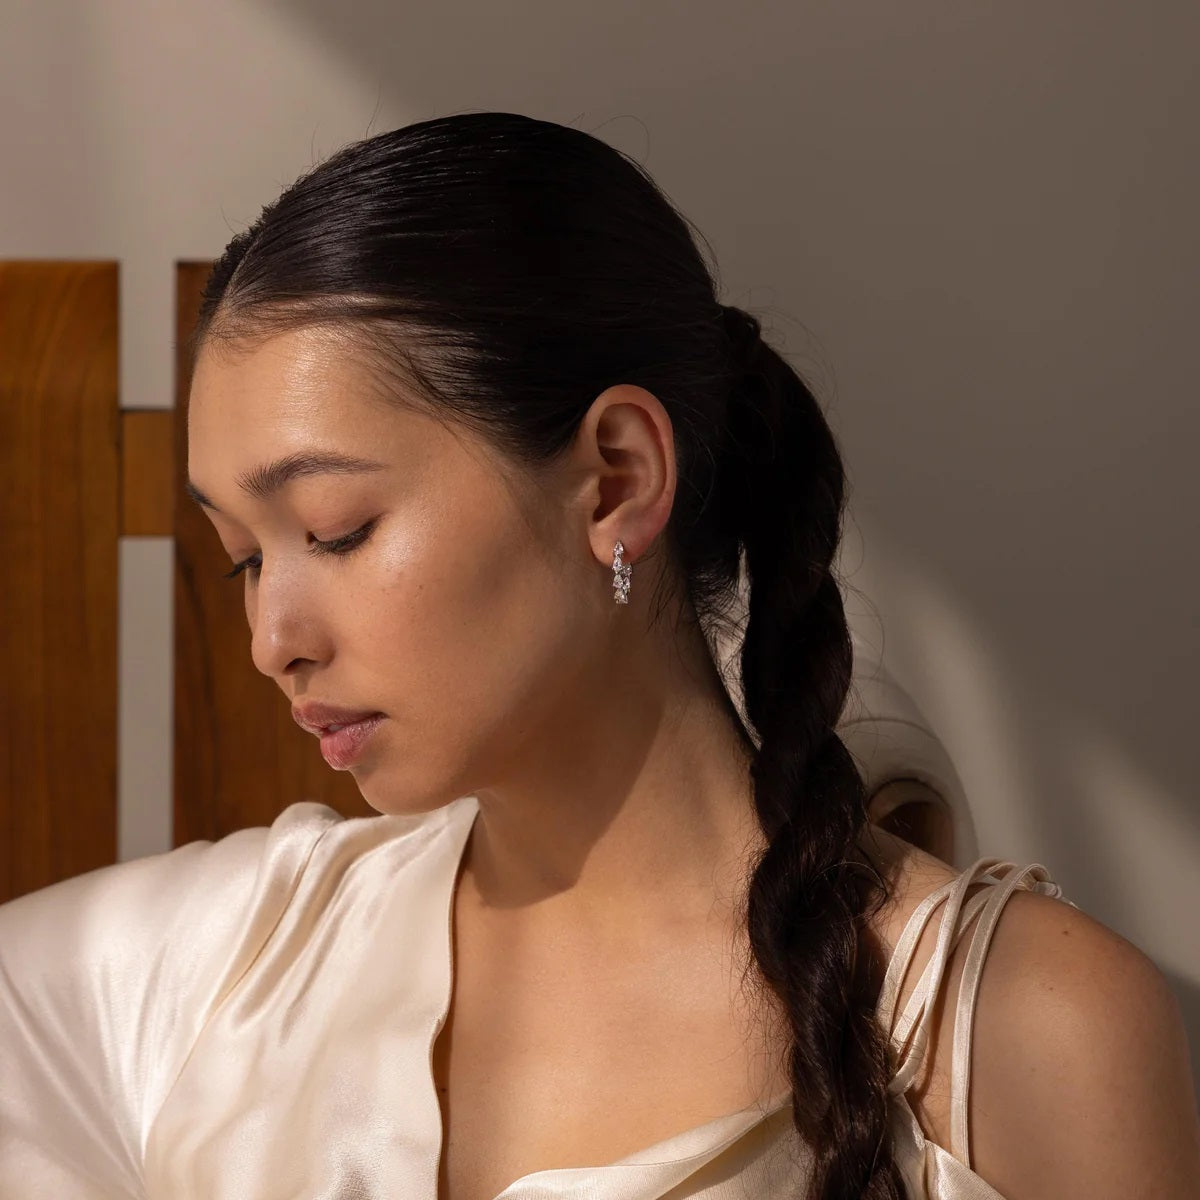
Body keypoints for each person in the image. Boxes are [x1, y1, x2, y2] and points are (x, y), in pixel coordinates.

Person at [1, 112, 1196, 1200]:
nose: (272, 641)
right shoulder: (233, 960)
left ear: (618, 478)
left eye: (336, 532)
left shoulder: (1023, 1031)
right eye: (243, 559)